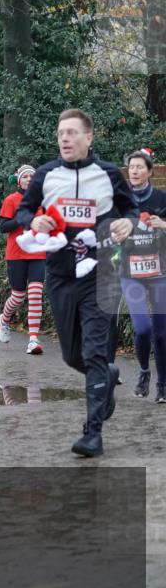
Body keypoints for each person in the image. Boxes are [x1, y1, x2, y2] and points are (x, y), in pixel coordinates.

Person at [15, 108, 138, 458]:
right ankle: (107, 376)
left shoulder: (109, 174)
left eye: (71, 132)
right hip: (60, 274)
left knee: (95, 351)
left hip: (101, 272)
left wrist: (127, 224)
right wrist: (33, 222)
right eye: (60, 133)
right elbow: (24, 210)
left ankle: (93, 432)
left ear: (88, 137)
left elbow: (130, 209)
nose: (64, 138)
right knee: (73, 355)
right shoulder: (46, 174)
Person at [118, 148, 166, 401]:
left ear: (149, 171)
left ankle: (163, 385)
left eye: (139, 167)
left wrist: (163, 225)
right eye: (131, 167)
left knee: (161, 332)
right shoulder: (121, 198)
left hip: (159, 272)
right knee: (143, 328)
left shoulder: (161, 198)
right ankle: (145, 372)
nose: (134, 171)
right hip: (130, 272)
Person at [0, 165, 46, 355]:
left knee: (35, 293)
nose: (29, 179)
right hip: (16, 253)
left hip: (38, 253)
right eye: (25, 177)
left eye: (32, 177)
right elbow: (3, 227)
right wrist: (21, 218)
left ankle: (33, 338)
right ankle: (4, 319)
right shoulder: (11, 200)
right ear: (19, 180)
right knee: (18, 296)